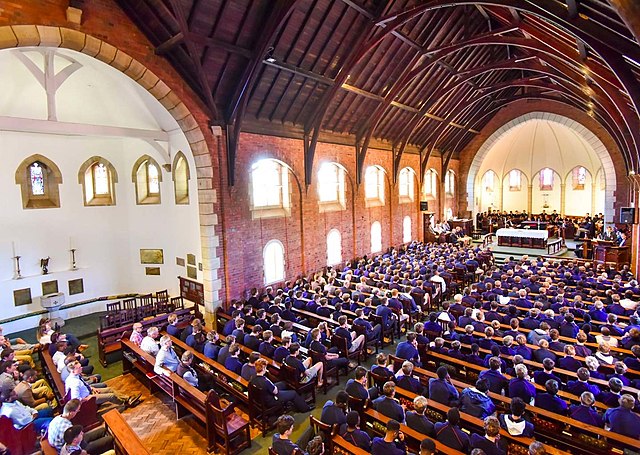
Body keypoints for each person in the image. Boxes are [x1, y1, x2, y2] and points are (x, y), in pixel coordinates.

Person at [48, 399, 114, 453]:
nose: (78, 412)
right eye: (77, 410)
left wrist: (80, 436)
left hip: (71, 442)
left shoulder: (57, 418)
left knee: (102, 430)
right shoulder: (68, 428)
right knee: (109, 439)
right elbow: (74, 444)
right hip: (72, 449)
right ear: (71, 413)